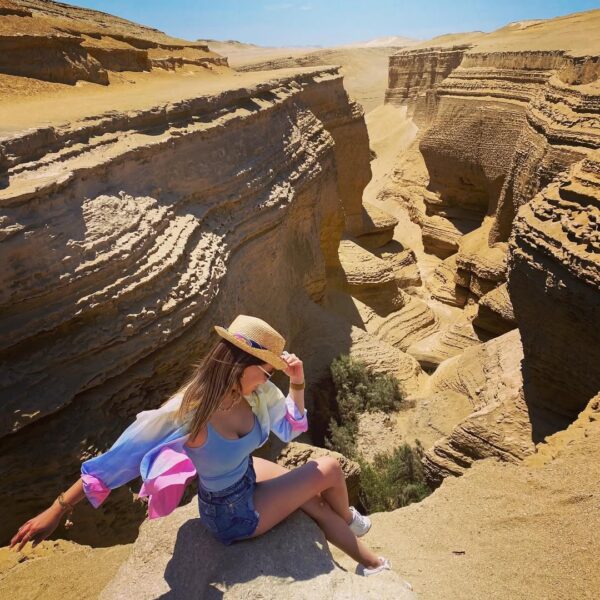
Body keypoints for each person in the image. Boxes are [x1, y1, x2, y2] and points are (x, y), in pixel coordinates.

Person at [10, 315, 393, 576]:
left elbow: (292, 427)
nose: (268, 379)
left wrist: (297, 381)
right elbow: (118, 460)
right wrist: (57, 509)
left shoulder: (257, 395)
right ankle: (369, 557)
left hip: (244, 478)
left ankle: (352, 529)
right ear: (240, 365)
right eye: (266, 370)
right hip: (231, 514)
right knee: (328, 471)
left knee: (313, 498)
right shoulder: (189, 411)